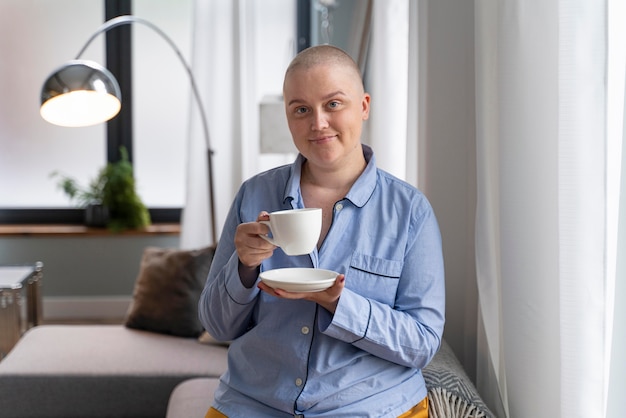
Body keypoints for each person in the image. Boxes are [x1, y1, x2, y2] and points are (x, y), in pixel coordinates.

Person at [198, 44, 445, 418]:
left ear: (363, 106)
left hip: (371, 408)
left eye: (333, 104)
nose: (318, 123)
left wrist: (337, 304)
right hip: (253, 404)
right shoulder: (255, 195)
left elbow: (423, 343)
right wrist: (244, 268)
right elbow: (216, 325)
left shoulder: (410, 212)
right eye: (301, 110)